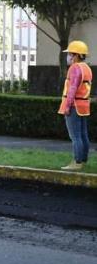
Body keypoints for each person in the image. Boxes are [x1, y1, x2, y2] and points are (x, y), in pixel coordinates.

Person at [58, 40, 92, 171]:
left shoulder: (75, 68)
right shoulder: (87, 68)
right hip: (83, 106)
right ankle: (83, 160)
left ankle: (77, 162)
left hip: (74, 106)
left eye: (70, 54)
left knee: (75, 136)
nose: (68, 57)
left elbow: (72, 88)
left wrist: (67, 106)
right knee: (83, 134)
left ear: (76, 55)